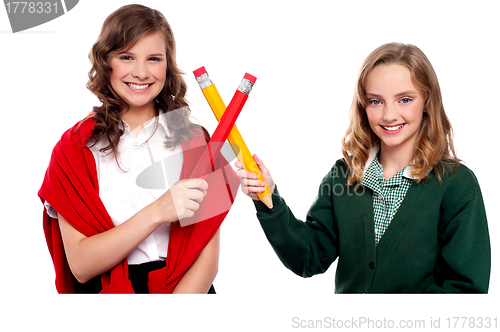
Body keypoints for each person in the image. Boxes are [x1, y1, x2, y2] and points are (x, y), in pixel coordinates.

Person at [236, 42, 490, 293]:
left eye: (404, 99)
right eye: (376, 101)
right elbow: (308, 257)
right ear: (363, 105)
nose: (389, 115)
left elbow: (464, 290)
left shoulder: (456, 183)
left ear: (427, 101)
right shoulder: (343, 176)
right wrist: (268, 198)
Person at [38, 4, 238, 294]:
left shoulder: (197, 140)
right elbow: (81, 266)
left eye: (154, 58)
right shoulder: (75, 148)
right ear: (106, 61)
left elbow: (207, 260)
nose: (141, 72)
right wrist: (157, 211)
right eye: (127, 57)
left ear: (167, 64)